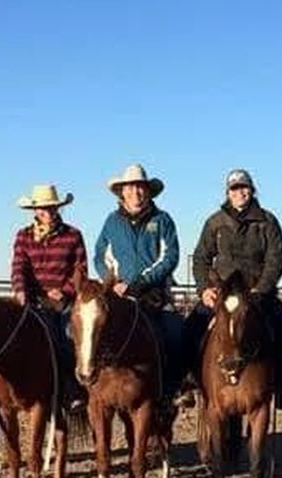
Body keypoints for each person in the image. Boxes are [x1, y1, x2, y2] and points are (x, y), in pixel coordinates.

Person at [190, 169, 282, 412]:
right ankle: (189, 383)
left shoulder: (267, 222)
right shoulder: (215, 222)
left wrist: (260, 290)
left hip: (257, 294)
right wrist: (204, 289)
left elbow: (276, 260)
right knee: (191, 327)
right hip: (223, 295)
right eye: (235, 188)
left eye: (244, 187)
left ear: (252, 190)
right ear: (228, 193)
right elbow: (201, 258)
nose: (240, 192)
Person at [91, 164, 183, 408]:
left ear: (148, 192)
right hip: (119, 295)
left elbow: (170, 256)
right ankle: (89, 387)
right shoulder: (111, 222)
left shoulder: (162, 220)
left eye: (140, 188)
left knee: (176, 332)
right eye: (130, 188)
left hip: (153, 295)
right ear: (122, 192)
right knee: (91, 332)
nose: (136, 193)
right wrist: (114, 282)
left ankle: (174, 388)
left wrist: (142, 282)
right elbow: (100, 256)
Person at [9, 183, 88, 410]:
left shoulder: (73, 235)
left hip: (64, 302)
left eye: (52, 208)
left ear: (58, 208)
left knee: (66, 339)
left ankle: (71, 387)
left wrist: (65, 291)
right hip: (33, 301)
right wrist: (21, 290)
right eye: (43, 209)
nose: (48, 213)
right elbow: (18, 267)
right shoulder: (23, 236)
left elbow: (80, 270)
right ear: (35, 210)